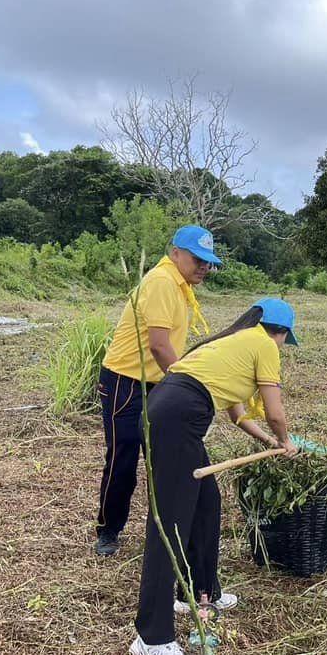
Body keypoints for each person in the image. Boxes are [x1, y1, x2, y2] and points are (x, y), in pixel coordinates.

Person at [131, 298, 300, 655]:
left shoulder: (233, 343)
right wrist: (286, 439)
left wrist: (270, 444)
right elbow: (274, 412)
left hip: (170, 411)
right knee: (170, 525)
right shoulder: (263, 346)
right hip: (177, 417)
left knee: (207, 503)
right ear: (282, 333)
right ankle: (151, 639)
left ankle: (199, 591)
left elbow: (239, 415)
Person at [94, 225, 220, 557]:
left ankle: (165, 528)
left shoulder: (180, 285)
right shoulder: (163, 282)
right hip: (126, 382)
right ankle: (109, 530)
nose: (204, 268)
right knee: (123, 458)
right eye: (198, 260)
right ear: (176, 252)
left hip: (157, 383)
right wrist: (187, 389)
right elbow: (160, 347)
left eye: (208, 262)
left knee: (162, 458)